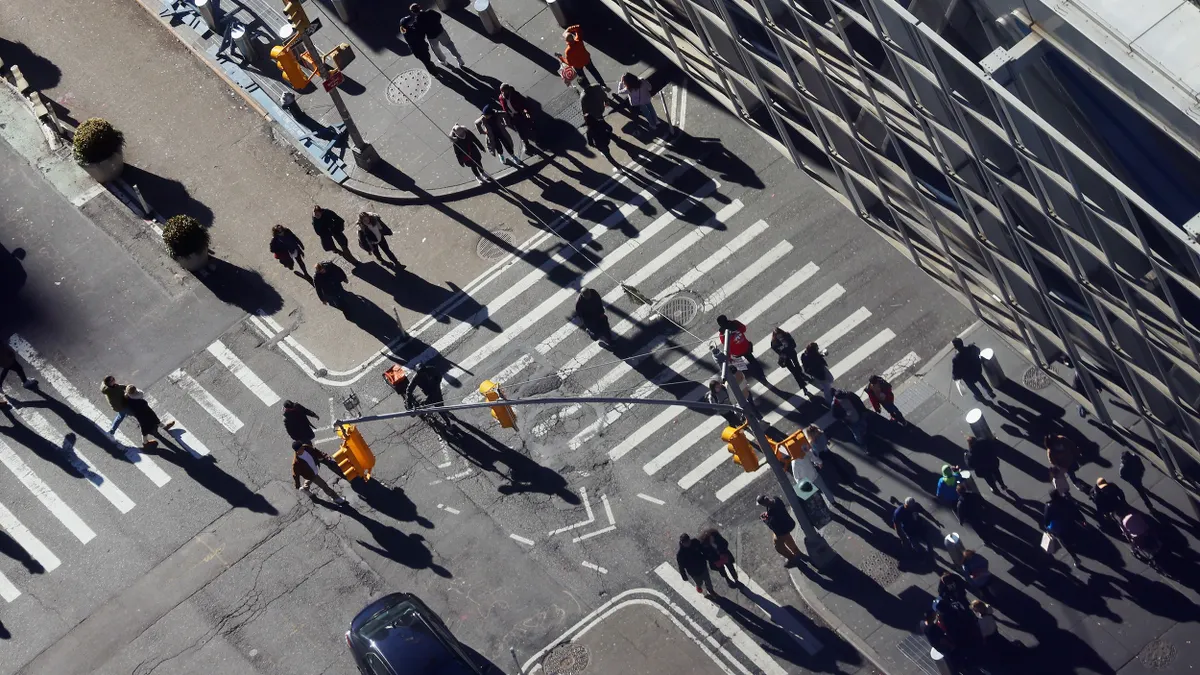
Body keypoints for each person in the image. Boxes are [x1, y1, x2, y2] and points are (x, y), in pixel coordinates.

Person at [410, 3, 462, 68]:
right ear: (419, 7)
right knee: (449, 45)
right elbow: (439, 16)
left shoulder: (417, 22)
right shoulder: (430, 12)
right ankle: (459, 59)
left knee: (436, 50)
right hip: (440, 31)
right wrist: (437, 24)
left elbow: (421, 32)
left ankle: (443, 61)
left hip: (431, 37)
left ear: (413, 12)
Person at [756, 494, 802, 567]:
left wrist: (765, 520)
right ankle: (797, 552)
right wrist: (768, 514)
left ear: (763, 504)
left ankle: (792, 558)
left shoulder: (772, 514)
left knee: (778, 546)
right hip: (789, 523)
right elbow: (775, 510)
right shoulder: (776, 499)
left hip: (782, 530)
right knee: (787, 538)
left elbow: (773, 526)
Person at [1042, 490, 1084, 567]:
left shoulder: (1049, 506)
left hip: (1060, 529)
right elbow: (1075, 510)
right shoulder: (1066, 501)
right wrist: (1082, 519)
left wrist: (1047, 527)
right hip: (1070, 523)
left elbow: (1047, 519)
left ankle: (1075, 558)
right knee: (1075, 535)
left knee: (1066, 544)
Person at [558, 25, 607, 89]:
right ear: (572, 37)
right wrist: (569, 29)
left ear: (566, 41)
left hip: (578, 65)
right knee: (594, 71)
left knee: (582, 77)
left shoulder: (567, 51)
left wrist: (561, 58)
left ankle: (589, 89)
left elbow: (570, 63)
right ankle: (602, 84)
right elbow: (578, 28)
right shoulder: (579, 41)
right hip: (586, 59)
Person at [950, 337, 994, 401]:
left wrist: (955, 377)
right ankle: (989, 391)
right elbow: (978, 351)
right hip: (976, 370)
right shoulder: (970, 348)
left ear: (955, 347)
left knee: (971, 386)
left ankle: (979, 395)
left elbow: (955, 371)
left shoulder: (955, 359)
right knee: (981, 379)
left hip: (968, 376)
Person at [498, 83, 536, 154]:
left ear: (507, 90)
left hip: (520, 113)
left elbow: (523, 102)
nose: (502, 93)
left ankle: (533, 130)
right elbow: (504, 107)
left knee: (527, 124)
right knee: (520, 131)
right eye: (501, 91)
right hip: (513, 116)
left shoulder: (515, 94)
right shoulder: (501, 98)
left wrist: (526, 111)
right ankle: (526, 143)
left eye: (503, 91)